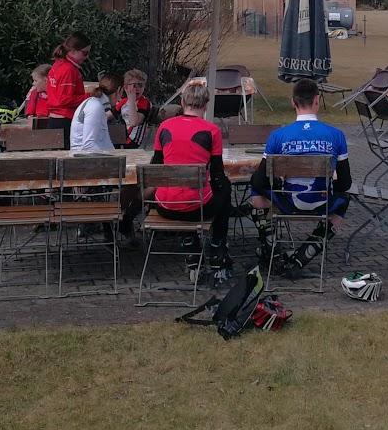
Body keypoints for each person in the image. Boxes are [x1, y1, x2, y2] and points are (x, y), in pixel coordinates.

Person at [247, 78, 352, 276]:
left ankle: (270, 251)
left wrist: (277, 182)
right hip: (322, 203)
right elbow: (345, 183)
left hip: (288, 202)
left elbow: (260, 181)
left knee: (255, 190)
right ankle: (306, 253)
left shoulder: (278, 136)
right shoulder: (336, 135)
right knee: (345, 200)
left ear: (293, 102)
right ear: (317, 101)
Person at [149, 78, 232, 272]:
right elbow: (218, 175)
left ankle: (189, 239)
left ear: (182, 103)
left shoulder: (164, 127)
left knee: (184, 192)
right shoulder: (212, 130)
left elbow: (156, 167)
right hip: (198, 207)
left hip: (165, 205)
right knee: (225, 189)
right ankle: (217, 244)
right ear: (205, 105)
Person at [45, 32, 90, 121]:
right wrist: (90, 96)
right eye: (85, 53)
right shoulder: (69, 69)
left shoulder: (58, 64)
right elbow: (64, 99)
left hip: (54, 117)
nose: (87, 57)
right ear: (73, 51)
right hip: (65, 118)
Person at [70, 82, 116, 153]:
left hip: (94, 156)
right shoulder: (95, 106)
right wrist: (112, 157)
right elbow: (89, 145)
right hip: (84, 158)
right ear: (119, 91)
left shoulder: (95, 104)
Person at [114, 68, 151, 146]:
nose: (137, 88)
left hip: (135, 141)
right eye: (134, 85)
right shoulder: (123, 101)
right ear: (126, 87)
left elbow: (134, 122)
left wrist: (131, 100)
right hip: (121, 137)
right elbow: (110, 114)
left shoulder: (144, 102)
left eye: (140, 85)